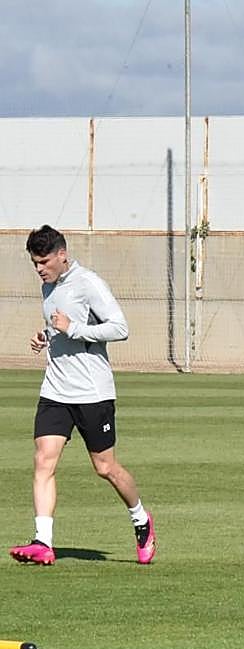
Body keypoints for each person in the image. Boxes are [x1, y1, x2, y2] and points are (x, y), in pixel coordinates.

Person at [9, 225, 156, 566]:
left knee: (105, 467)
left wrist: (72, 329)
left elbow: (120, 328)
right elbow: (59, 326)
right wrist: (46, 336)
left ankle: (141, 520)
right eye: (34, 263)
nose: (39, 269)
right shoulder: (48, 286)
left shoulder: (89, 283)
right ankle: (43, 542)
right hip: (55, 389)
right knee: (43, 460)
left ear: (62, 254)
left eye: (44, 262)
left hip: (92, 392)